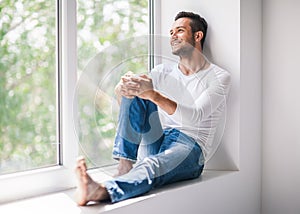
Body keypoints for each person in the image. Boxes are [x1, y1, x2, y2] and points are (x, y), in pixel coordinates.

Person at [75, 11, 231, 205]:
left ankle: (101, 191)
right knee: (135, 86)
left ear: (197, 36)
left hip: (190, 147)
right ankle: (125, 165)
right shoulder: (161, 72)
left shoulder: (219, 76)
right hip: (157, 139)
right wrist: (121, 89)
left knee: (153, 165)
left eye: (179, 31)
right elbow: (129, 107)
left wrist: (153, 94)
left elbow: (196, 117)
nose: (172, 36)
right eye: (171, 31)